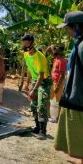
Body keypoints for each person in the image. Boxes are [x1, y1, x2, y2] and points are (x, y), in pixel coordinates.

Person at [54, 11, 83, 164]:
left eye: (68, 27)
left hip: (80, 97)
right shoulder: (77, 43)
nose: (67, 31)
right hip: (74, 94)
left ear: (77, 27)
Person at [22, 34, 52, 140]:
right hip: (35, 81)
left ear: (32, 43)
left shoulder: (40, 57)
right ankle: (37, 127)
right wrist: (27, 83)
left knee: (41, 105)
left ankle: (42, 131)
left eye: (26, 43)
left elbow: (41, 75)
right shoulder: (26, 54)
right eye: (23, 43)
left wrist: (34, 90)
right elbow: (30, 70)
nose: (24, 46)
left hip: (44, 81)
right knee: (33, 104)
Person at [46, 45, 67, 123]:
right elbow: (48, 50)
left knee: (59, 101)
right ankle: (48, 116)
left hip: (58, 83)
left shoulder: (62, 60)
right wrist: (52, 46)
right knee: (48, 98)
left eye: (56, 49)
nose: (54, 50)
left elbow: (62, 75)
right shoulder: (56, 58)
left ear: (60, 51)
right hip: (53, 82)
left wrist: (57, 86)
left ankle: (58, 118)